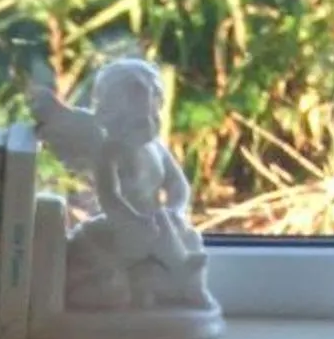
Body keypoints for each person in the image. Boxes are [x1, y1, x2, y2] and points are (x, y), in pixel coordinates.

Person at [29, 56, 215, 315]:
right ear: (116, 113)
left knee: (188, 235)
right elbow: (109, 196)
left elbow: (178, 185)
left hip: (158, 222)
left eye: (153, 113)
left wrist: (176, 208)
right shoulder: (110, 150)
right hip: (124, 224)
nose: (149, 122)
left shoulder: (157, 149)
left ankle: (186, 284)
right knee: (157, 234)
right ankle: (182, 275)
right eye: (140, 117)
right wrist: (133, 219)